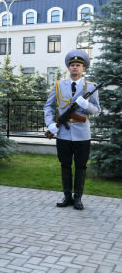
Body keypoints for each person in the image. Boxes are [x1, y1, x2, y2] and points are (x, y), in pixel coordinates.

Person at [44, 49, 100, 210]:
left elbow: (97, 110)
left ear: (83, 69)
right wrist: (50, 124)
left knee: (81, 166)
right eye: (72, 65)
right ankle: (67, 195)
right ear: (68, 68)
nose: (75, 67)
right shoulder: (58, 85)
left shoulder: (91, 87)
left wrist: (86, 105)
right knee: (65, 165)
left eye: (78, 65)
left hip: (82, 134)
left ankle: (78, 198)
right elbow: (48, 106)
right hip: (63, 134)